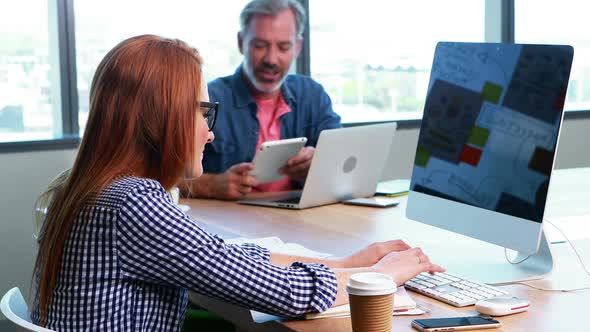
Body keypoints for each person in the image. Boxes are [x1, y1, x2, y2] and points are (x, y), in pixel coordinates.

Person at [31, 35, 444, 331]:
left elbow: (224, 258)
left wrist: (352, 261)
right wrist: (384, 276)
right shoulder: (134, 203)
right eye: (202, 113)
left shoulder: (84, 186)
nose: (209, 133)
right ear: (165, 116)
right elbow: (284, 294)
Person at [182, 0, 342, 200]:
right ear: (241, 43)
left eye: (284, 47)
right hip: (230, 222)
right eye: (260, 45)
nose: (271, 59)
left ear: (298, 47)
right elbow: (159, 175)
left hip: (298, 218)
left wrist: (319, 161)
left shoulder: (312, 94)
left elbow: (342, 157)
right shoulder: (209, 98)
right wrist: (209, 185)